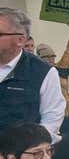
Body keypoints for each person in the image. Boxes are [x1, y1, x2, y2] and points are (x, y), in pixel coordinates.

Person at [0, 8, 65, 143]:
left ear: (20, 39)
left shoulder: (43, 72)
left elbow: (52, 119)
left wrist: (22, 153)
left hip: (21, 157)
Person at [36, 20, 69, 115]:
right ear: (40, 58)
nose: (51, 59)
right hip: (52, 114)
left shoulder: (60, 68)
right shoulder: (37, 73)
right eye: (47, 57)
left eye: (52, 56)